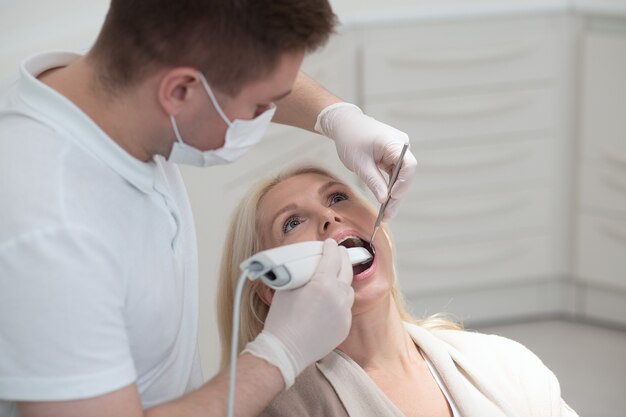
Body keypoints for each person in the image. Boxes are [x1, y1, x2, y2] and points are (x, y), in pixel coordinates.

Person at [0, 1, 418, 416]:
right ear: (179, 92)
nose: (265, 117)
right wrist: (280, 353)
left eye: (338, 197)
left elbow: (244, 71)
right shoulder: (50, 230)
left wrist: (335, 115)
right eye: (259, 108)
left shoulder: (116, 96)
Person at [217, 165, 579, 417]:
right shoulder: (277, 408)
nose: (328, 217)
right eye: (292, 222)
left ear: (383, 233)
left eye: (338, 197)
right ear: (270, 286)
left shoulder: (507, 364)